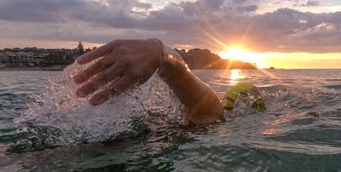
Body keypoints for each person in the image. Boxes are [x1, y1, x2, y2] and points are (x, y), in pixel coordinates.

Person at [74, 39, 265, 125]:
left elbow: (183, 79)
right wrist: (159, 50)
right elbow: (185, 79)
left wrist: (159, 50)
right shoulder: (215, 117)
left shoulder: (211, 114)